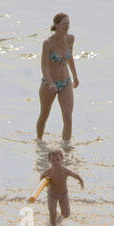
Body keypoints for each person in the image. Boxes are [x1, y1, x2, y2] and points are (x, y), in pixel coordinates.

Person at [36, 13, 79, 141]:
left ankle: (66, 149)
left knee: (68, 117)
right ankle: (39, 142)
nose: (66, 26)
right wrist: (50, 83)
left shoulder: (70, 39)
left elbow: (70, 57)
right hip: (49, 84)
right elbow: (44, 66)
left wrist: (75, 76)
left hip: (65, 82)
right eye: (63, 24)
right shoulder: (48, 43)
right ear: (56, 25)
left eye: (68, 23)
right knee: (44, 115)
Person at [38, 150, 84, 226]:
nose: (55, 162)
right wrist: (43, 183)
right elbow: (42, 178)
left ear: (62, 159)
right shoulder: (49, 172)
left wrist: (81, 181)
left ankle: (59, 218)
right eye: (53, 160)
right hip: (52, 195)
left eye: (58, 160)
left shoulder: (65, 171)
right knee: (52, 213)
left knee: (66, 214)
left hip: (63, 194)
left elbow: (75, 175)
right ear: (49, 161)